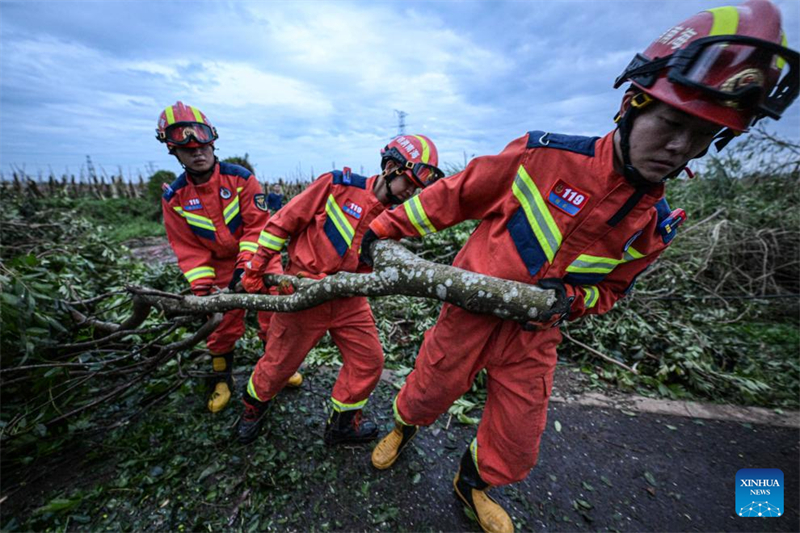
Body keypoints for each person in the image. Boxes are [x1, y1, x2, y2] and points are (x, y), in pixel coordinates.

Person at [360, 2, 798, 532]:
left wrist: (571, 302)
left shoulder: (654, 224)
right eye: (673, 122)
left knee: (519, 436)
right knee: (428, 387)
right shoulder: (543, 157)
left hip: (534, 335)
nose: (681, 147)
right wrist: (382, 232)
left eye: (703, 134)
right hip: (467, 314)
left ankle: (472, 483)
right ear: (633, 103)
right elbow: (450, 196)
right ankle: (404, 431)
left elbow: (614, 290)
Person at [236, 135, 445, 446]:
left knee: (369, 361)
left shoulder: (397, 216)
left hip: (349, 299)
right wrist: (256, 267)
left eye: (417, 188)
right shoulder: (335, 185)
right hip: (304, 294)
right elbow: (282, 223)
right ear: (390, 168)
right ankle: (253, 408)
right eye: (410, 184)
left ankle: (342, 425)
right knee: (279, 364)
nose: (412, 193)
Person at [157, 101, 303, 413]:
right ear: (175, 153)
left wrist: (247, 268)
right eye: (189, 149)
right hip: (217, 266)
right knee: (220, 326)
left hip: (262, 257)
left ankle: (278, 368)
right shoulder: (175, 198)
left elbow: (257, 226)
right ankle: (221, 378)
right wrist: (203, 290)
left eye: (203, 146)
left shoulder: (241, 179)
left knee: (275, 315)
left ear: (213, 144)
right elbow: (187, 248)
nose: (198, 153)